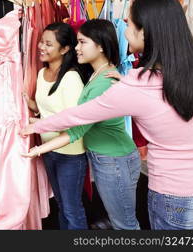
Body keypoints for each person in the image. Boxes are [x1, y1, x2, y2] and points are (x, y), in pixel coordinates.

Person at [22, 0, 193, 230]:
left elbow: (80, 115)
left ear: (145, 31)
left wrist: (35, 126)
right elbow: (162, 102)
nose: (123, 31)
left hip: (172, 191)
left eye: (129, 24)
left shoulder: (138, 83)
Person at [24, 19, 140, 230]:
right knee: (117, 221)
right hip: (104, 157)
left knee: (124, 225)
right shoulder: (97, 75)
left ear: (101, 45)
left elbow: (76, 127)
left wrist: (37, 140)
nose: (77, 48)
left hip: (114, 160)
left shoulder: (102, 81)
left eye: (82, 42)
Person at [23, 22, 91, 230]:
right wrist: (25, 101)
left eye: (48, 44)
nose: (41, 47)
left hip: (70, 154)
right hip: (49, 151)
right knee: (62, 205)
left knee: (71, 209)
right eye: (41, 42)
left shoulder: (71, 79)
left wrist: (36, 126)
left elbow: (70, 122)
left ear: (64, 49)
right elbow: (47, 111)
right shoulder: (43, 74)